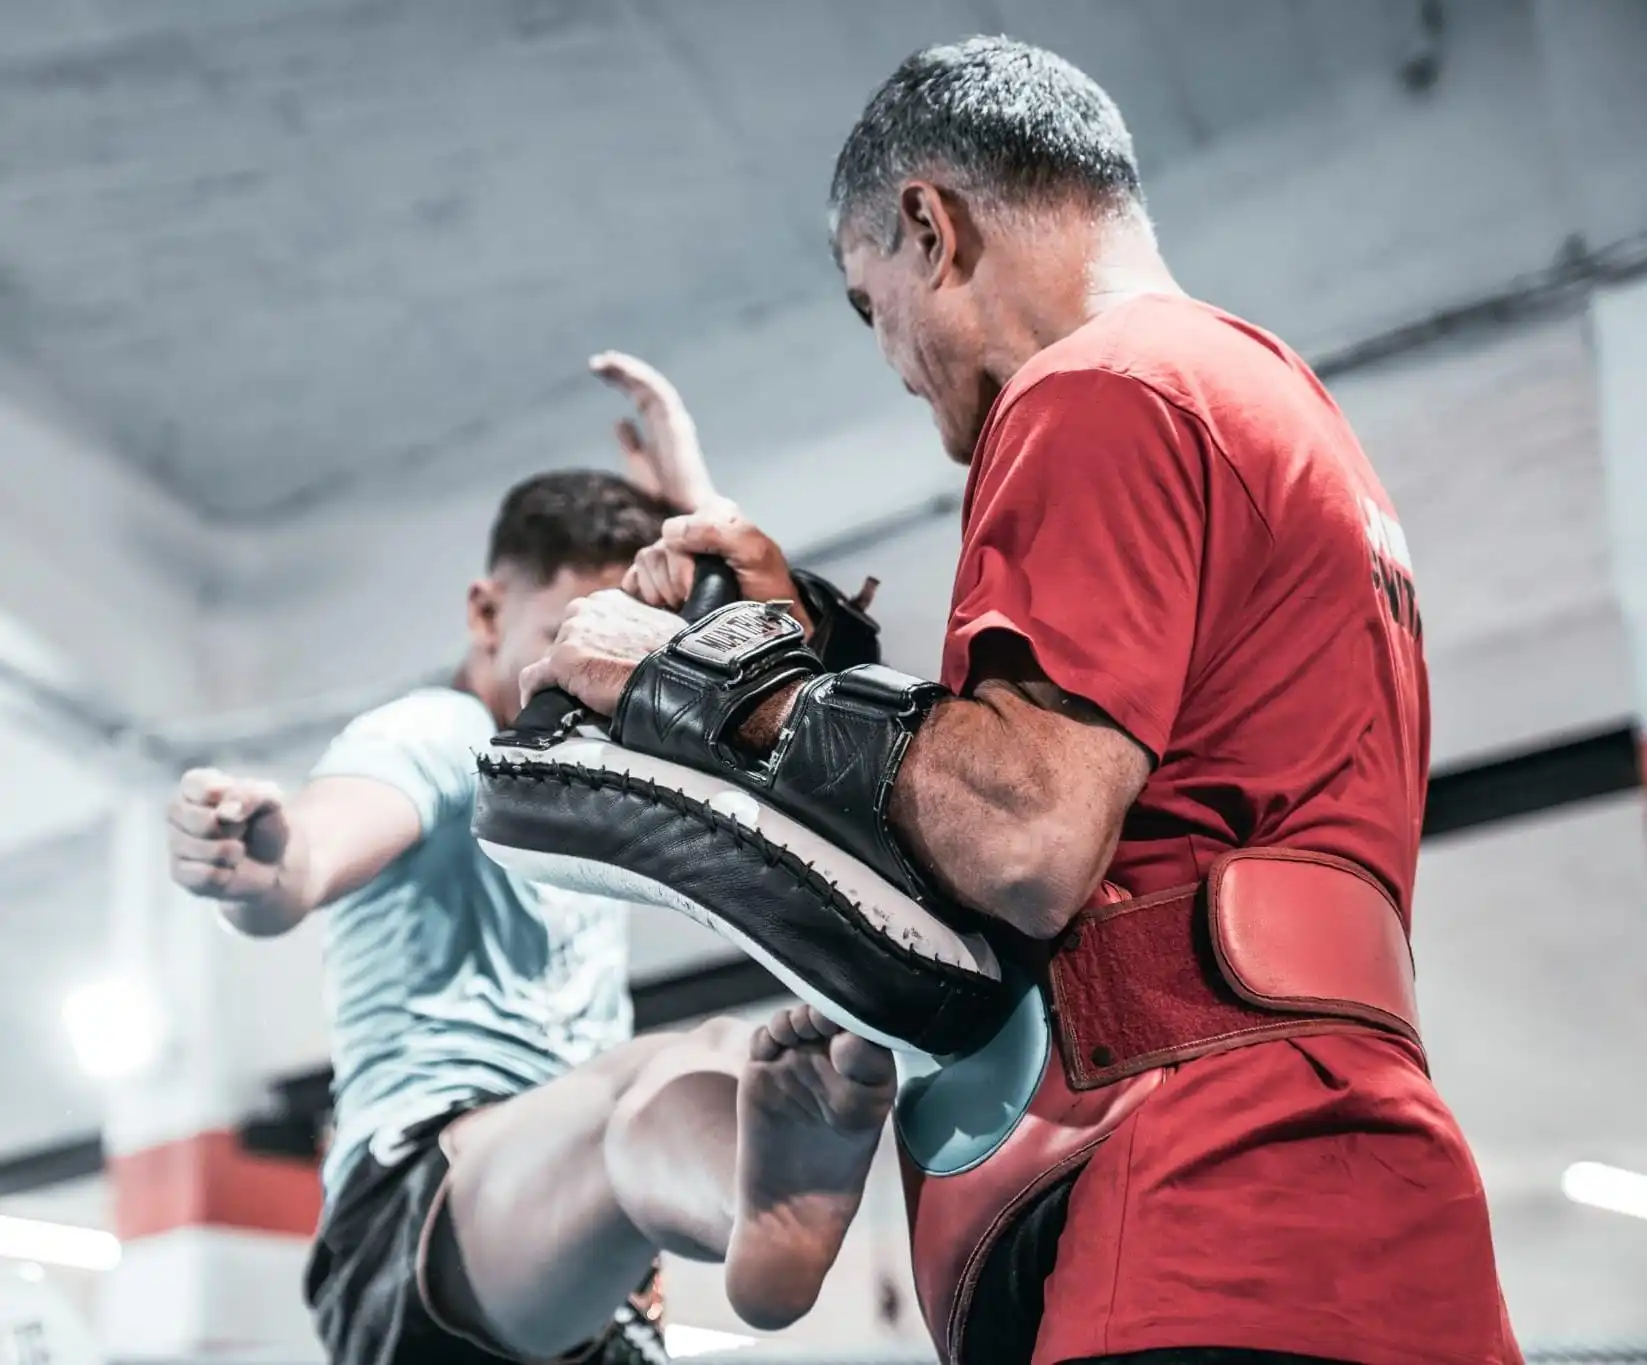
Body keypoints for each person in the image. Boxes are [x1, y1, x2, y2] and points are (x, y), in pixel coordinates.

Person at [516, 36, 1523, 1365]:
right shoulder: (1263, 401)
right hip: (1369, 1224)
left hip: (1201, 1227)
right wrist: (788, 641)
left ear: (930, 227)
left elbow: (1024, 833)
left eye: (868, 304)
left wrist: (690, 675)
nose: (894, 362)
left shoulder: (1096, 388)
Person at [163, 354, 815, 1365]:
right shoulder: (445, 732)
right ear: (484, 613)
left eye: (628, 647)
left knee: (724, 1059)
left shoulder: (591, 766)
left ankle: (752, 1199)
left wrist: (699, 512)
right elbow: (315, 849)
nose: (593, 672)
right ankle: (756, 1213)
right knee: (668, 1070)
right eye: (567, 633)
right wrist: (265, 868)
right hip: (418, 1212)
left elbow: (795, 719)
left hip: (579, 1273)